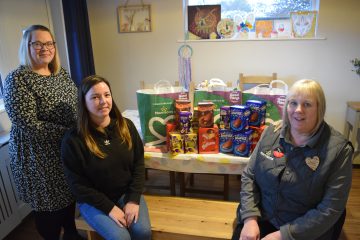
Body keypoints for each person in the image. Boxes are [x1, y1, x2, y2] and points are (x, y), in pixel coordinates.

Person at [232, 79, 354, 240]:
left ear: (320, 109)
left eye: (307, 104)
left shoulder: (339, 150)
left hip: (304, 231)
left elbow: (330, 209)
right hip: (260, 218)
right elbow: (249, 176)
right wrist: (249, 219)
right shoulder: (270, 133)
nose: (298, 110)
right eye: (293, 103)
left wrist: (283, 235)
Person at [3, 25, 83, 239]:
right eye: (37, 43)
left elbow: (76, 102)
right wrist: (72, 134)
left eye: (49, 43)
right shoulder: (17, 80)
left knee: (68, 198)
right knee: (50, 208)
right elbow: (28, 124)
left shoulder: (59, 72)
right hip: (38, 158)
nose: (44, 48)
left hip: (65, 151)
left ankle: (72, 234)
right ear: (26, 47)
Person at [61, 75, 151, 240]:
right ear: (84, 102)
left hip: (126, 193)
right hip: (92, 202)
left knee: (142, 232)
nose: (103, 101)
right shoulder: (73, 140)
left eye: (107, 95)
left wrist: (133, 199)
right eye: (95, 97)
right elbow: (77, 185)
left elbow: (139, 164)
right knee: (121, 238)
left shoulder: (126, 126)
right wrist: (109, 208)